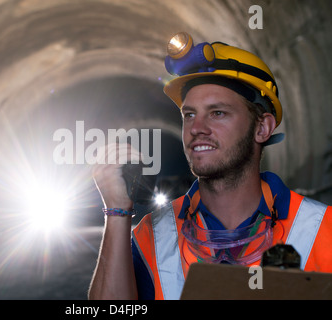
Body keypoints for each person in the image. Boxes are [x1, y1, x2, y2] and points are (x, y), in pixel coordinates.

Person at [88, 32, 332, 300]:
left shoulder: (323, 230)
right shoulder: (153, 235)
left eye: (217, 113)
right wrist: (117, 213)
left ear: (262, 127)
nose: (197, 128)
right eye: (189, 115)